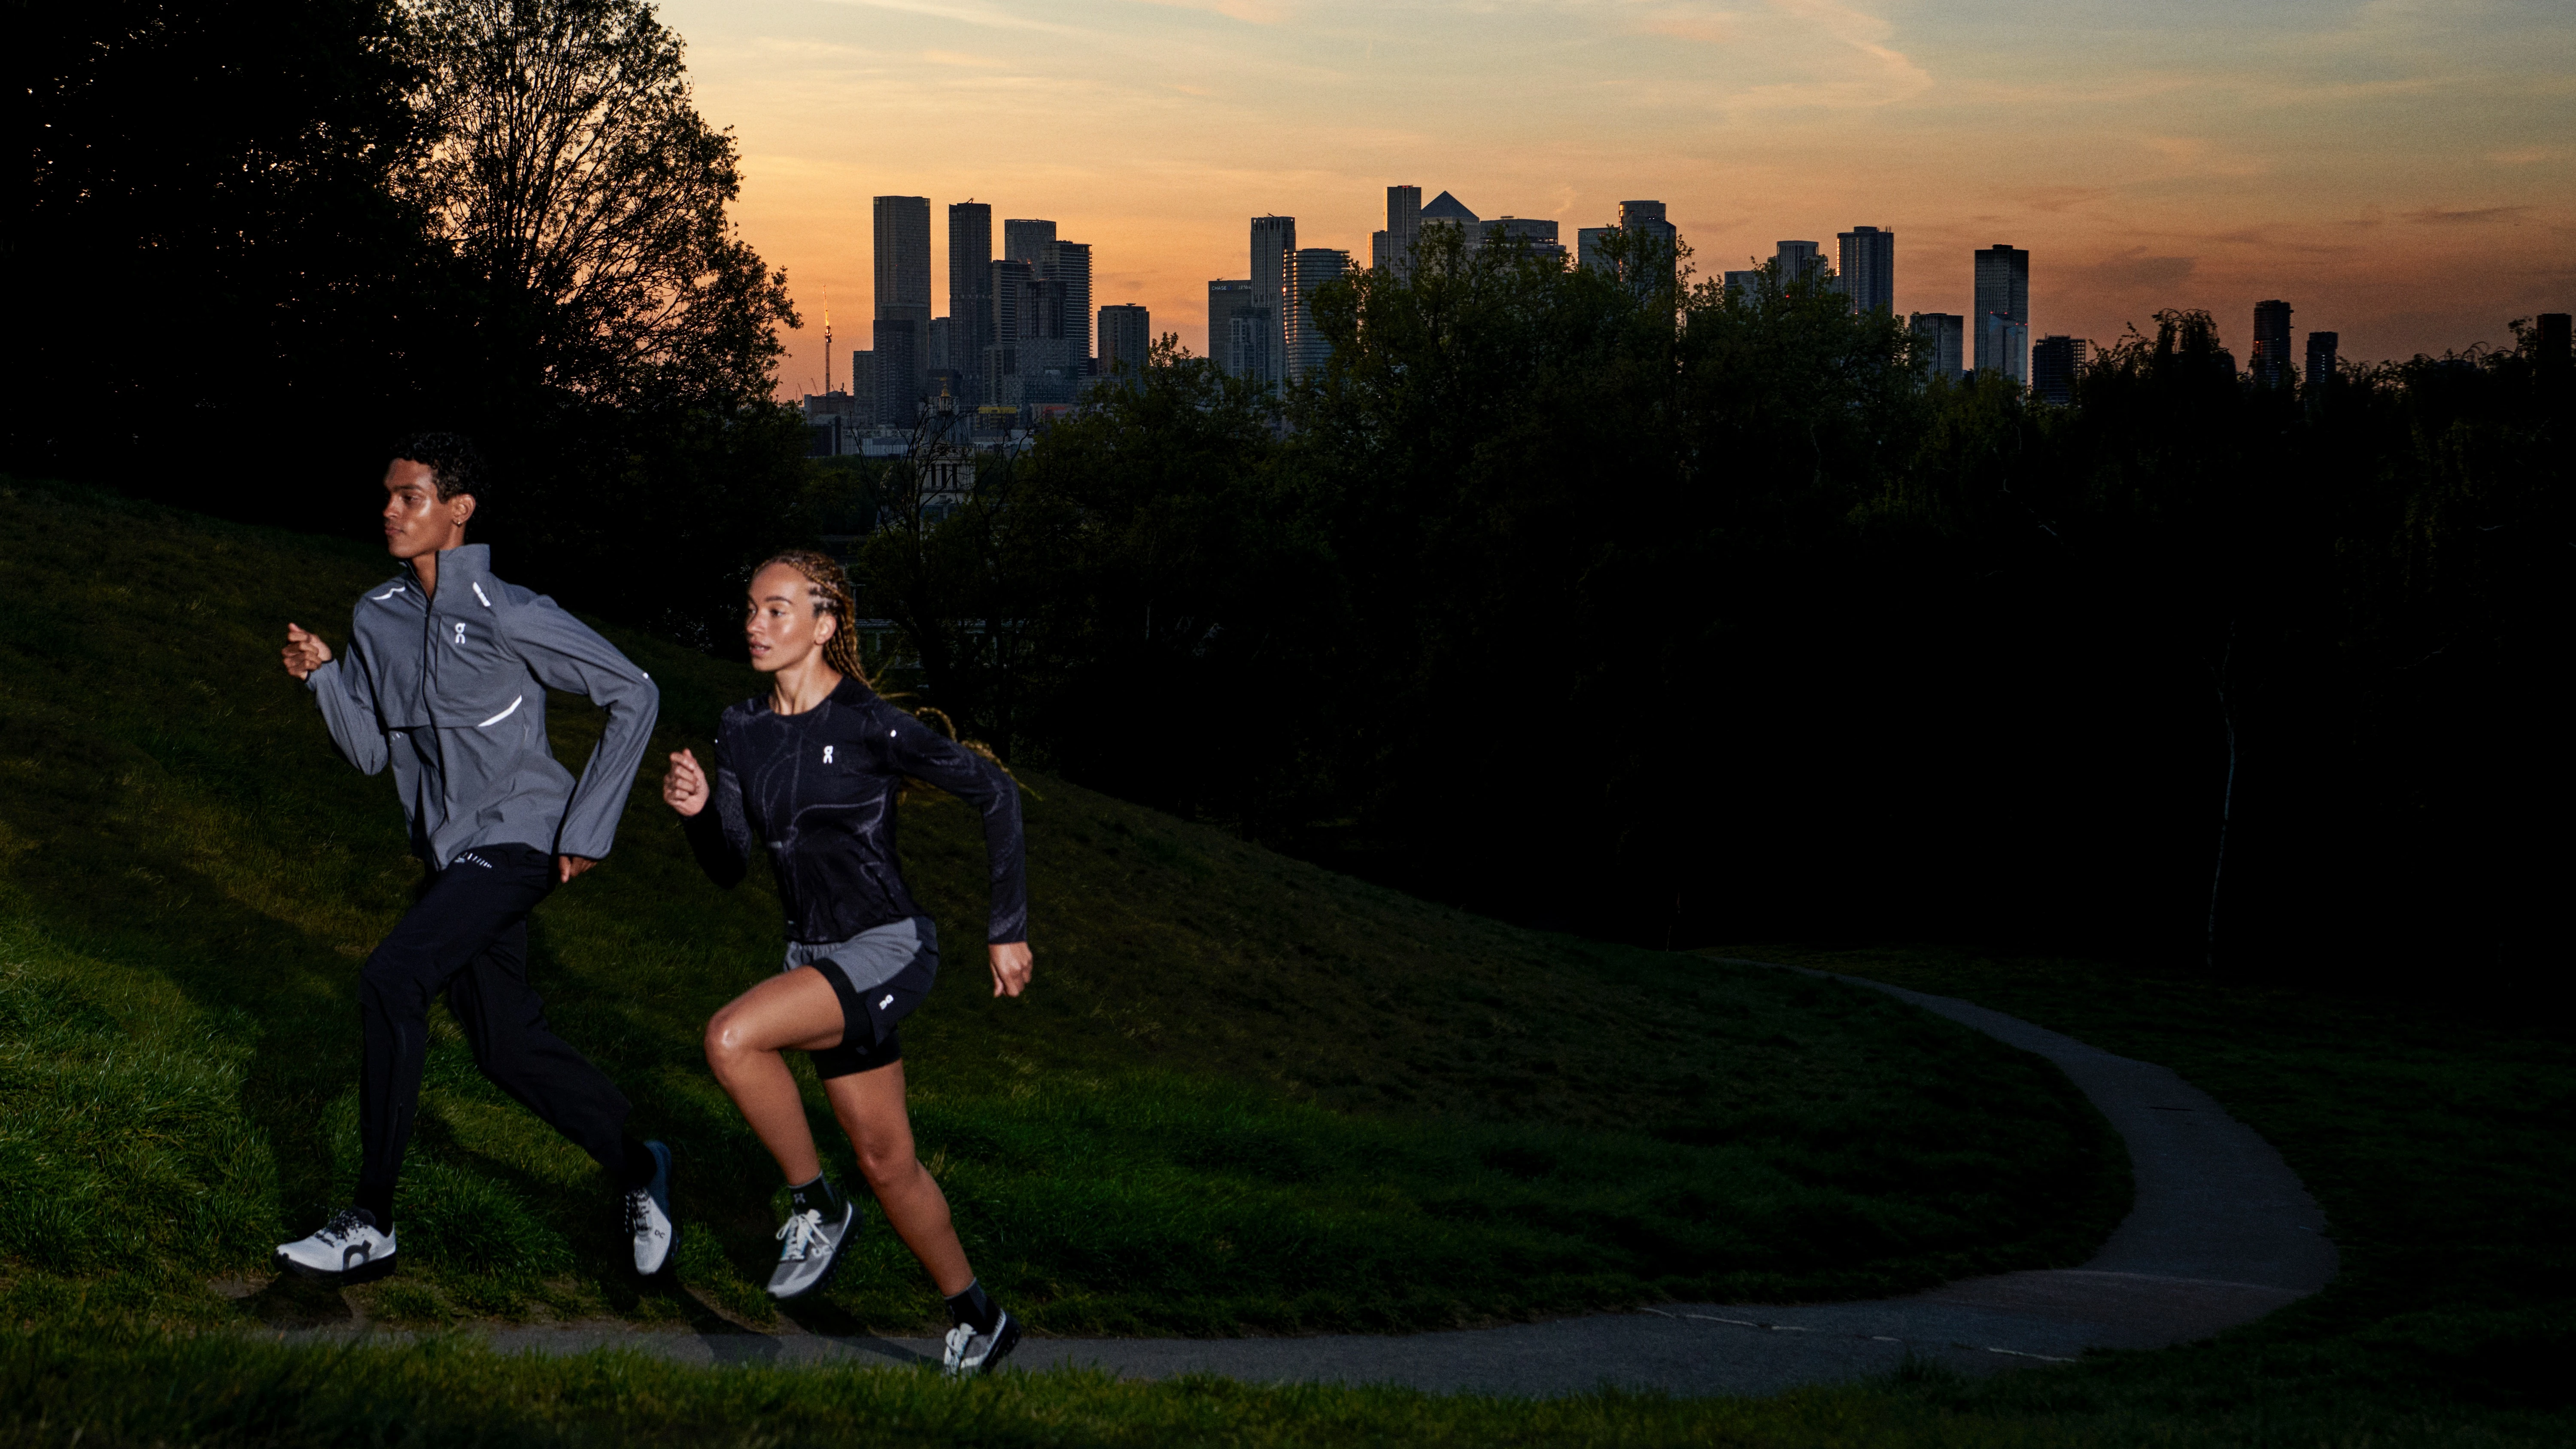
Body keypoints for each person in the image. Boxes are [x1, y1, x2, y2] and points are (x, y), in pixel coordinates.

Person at [273, 433, 676, 1283]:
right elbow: (374, 756)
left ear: (458, 511)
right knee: (503, 1044)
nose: (390, 510)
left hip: (524, 835)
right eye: (387, 495)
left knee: (393, 977)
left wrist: (588, 828)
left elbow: (634, 690)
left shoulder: (510, 609)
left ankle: (371, 1220)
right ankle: (642, 1167)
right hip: (452, 854)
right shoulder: (375, 616)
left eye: (410, 496)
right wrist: (324, 679)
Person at [662, 550, 1032, 1377]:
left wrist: (1006, 927)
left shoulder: (871, 724)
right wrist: (696, 812)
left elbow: (997, 795)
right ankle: (981, 1318)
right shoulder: (741, 729)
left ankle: (816, 1206)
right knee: (887, 1160)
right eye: (752, 610)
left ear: (825, 624)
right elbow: (729, 864)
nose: (756, 625)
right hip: (815, 956)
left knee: (731, 1039)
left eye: (777, 610)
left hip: (888, 946)